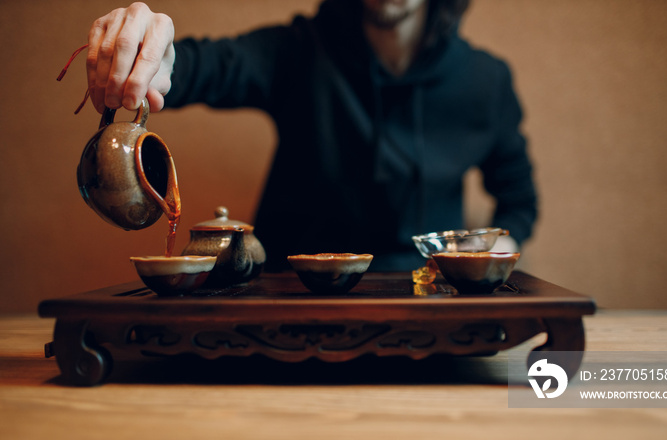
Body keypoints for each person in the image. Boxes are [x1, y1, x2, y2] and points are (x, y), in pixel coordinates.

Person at [85, 0, 538, 271]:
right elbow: (209, 66)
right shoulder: (300, 49)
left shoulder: (486, 80)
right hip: (291, 299)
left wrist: (501, 246)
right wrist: (155, 53)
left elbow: (519, 197)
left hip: (425, 303)